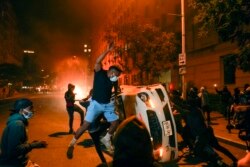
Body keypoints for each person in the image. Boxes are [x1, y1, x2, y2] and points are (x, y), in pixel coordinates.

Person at [68, 42, 122, 152]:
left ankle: (106, 139)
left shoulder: (114, 81)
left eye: (118, 76)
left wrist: (115, 99)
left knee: (115, 122)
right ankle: (72, 143)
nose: (117, 77)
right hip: (96, 104)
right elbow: (97, 62)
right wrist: (107, 50)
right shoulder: (100, 73)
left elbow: (116, 91)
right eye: (116, 75)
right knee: (85, 126)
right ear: (111, 72)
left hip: (107, 105)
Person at [0, 98, 47, 167]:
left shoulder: (16, 122)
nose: (33, 111)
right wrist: (33, 145)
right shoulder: (17, 124)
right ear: (21, 110)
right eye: (30, 108)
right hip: (12, 163)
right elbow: (14, 150)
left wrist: (32, 144)